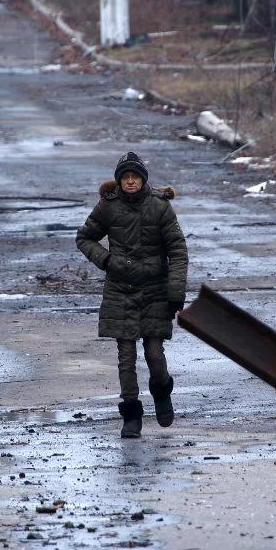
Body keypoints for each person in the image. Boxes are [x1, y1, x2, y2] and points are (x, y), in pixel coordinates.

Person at [76, 151, 189, 438]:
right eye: (124, 177)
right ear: (119, 180)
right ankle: (131, 413)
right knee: (126, 357)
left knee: (154, 353)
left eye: (134, 177)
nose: (129, 181)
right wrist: (106, 260)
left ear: (142, 179)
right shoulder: (107, 207)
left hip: (154, 290)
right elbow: (84, 238)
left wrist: (175, 293)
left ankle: (162, 391)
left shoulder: (159, 208)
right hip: (119, 290)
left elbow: (177, 250)